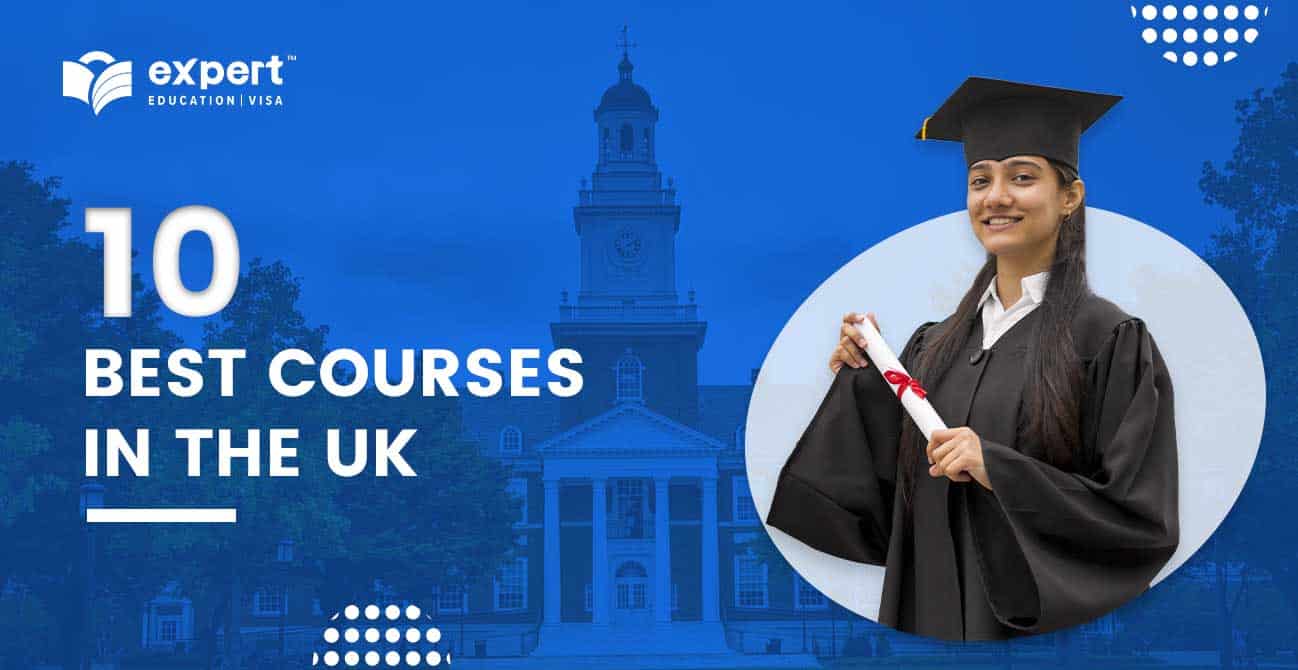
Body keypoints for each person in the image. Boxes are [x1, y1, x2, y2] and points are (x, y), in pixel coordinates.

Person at [765, 77, 1179, 641]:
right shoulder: (929, 347)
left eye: (1023, 177)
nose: (996, 196)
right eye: (980, 179)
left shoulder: (1109, 339)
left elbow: (1137, 520)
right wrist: (864, 378)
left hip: (1029, 630)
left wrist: (999, 469)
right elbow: (871, 496)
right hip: (927, 616)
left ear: (1070, 197)